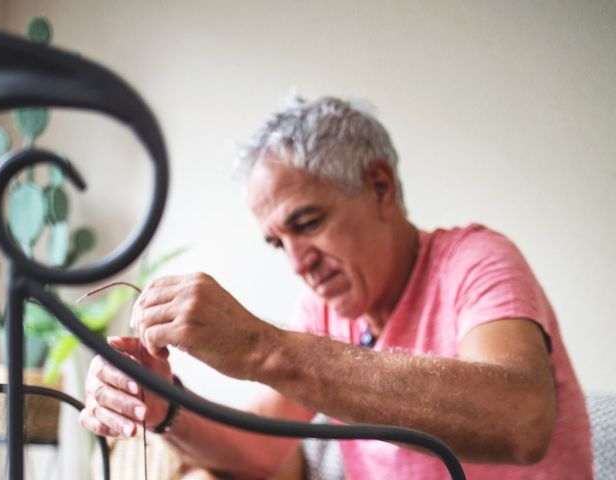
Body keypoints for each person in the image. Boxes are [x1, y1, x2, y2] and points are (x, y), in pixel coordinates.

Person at [80, 96, 593, 479]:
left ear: (380, 187)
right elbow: (264, 449)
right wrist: (166, 406)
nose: (299, 263)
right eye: (279, 243)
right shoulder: (326, 309)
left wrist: (261, 348)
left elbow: (521, 420)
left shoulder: (475, 262)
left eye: (307, 223)